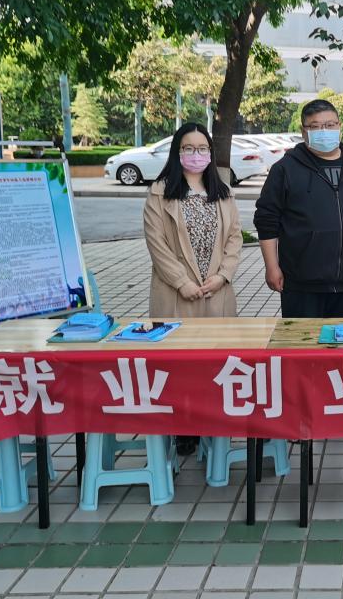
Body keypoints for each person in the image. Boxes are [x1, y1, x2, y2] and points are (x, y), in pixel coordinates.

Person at [143, 122, 242, 455]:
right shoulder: (159, 192)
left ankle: (213, 422)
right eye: (188, 148)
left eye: (202, 149)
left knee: (215, 363)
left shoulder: (223, 191)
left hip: (216, 291)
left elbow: (235, 238)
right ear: (177, 152)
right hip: (175, 293)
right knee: (179, 365)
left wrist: (223, 275)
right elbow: (156, 244)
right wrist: (182, 282)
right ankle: (184, 427)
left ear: (210, 153)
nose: (196, 155)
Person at [254, 99, 343, 318]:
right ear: (304, 131)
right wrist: (271, 266)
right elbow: (266, 220)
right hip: (300, 284)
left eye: (330, 125)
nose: (324, 131)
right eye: (315, 126)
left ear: (339, 126)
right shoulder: (285, 169)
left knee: (342, 339)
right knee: (303, 340)